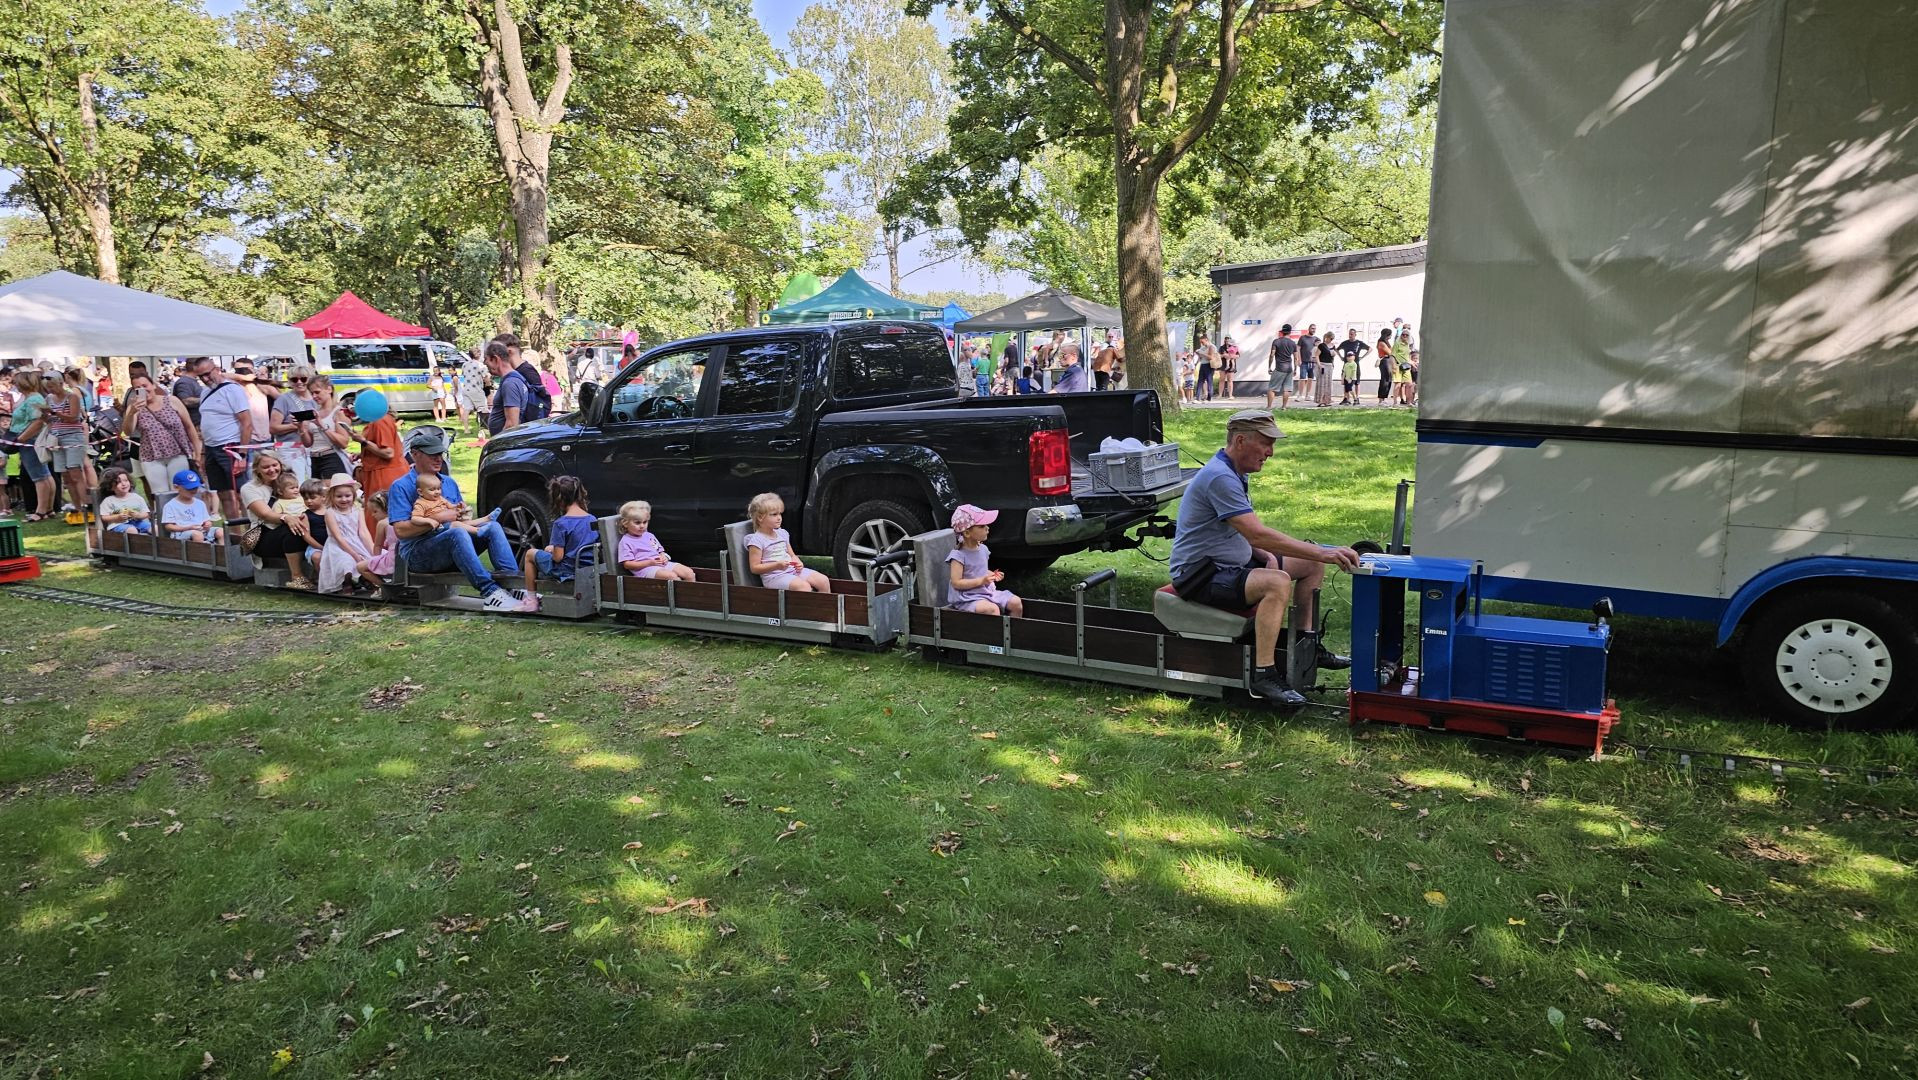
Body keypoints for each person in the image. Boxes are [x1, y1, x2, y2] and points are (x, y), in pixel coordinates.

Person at [1168, 410, 1358, 705]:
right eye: (1266, 444)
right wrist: (1324, 551)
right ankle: (1264, 675)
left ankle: (1308, 646)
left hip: (1227, 566)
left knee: (1310, 564)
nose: (1270, 452)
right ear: (1240, 441)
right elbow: (1256, 533)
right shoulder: (1220, 477)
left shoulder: (1234, 471)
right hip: (1199, 575)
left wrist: (1267, 554)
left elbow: (1240, 531)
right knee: (1277, 582)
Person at [385, 425, 525, 611]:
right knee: (456, 533)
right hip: (418, 554)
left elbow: (461, 522)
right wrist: (440, 518)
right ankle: (491, 593)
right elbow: (401, 531)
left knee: (492, 527)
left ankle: (516, 587)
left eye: (440, 454)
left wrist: (463, 514)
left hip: (452, 544)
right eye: (432, 454)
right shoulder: (401, 486)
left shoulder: (449, 482)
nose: (438, 459)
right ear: (415, 454)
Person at [239, 452, 317, 590]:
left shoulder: (289, 482)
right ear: (257, 469)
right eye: (266, 467)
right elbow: (265, 514)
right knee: (292, 529)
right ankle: (297, 577)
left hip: (296, 524)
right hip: (264, 535)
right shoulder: (250, 488)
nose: (271, 470)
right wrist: (287, 517)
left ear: (280, 465)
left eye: (274, 465)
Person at [120, 373, 201, 502]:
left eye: (145, 385)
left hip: (177, 453)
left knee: (179, 490)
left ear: (153, 385)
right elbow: (128, 431)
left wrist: (197, 451)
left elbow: (189, 427)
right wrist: (132, 413)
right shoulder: (134, 408)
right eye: (138, 388)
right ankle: (163, 514)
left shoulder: (172, 401)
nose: (143, 390)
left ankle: (179, 514)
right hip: (151, 456)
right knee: (160, 494)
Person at [517, 475, 595, 609]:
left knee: (530, 554)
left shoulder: (561, 523)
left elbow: (558, 558)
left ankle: (531, 600)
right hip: (587, 568)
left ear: (559, 499)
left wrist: (552, 550)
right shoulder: (592, 519)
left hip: (567, 570)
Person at [193, 358, 254, 522]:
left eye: (207, 374)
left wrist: (242, 454)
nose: (205, 379)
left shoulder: (233, 390)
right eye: (201, 376)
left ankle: (252, 532)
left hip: (231, 447)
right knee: (224, 494)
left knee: (241, 494)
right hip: (211, 448)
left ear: (216, 369)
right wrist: (203, 453)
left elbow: (247, 423)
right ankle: (234, 533)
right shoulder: (205, 392)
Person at [946, 503, 1023, 617]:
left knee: (1016, 603)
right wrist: (981, 581)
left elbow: (978, 571)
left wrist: (992, 575)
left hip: (986, 593)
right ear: (967, 533)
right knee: (992, 610)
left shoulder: (983, 549)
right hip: (968, 598)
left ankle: (1015, 628)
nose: (987, 528)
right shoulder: (958, 556)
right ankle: (997, 629)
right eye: (982, 526)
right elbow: (956, 583)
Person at [745, 491, 830, 592]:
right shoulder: (757, 540)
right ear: (760, 517)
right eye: (774, 514)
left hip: (792, 571)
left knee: (823, 580)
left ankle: (825, 603)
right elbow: (754, 568)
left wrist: (798, 562)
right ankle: (804, 603)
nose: (779, 518)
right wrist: (777, 565)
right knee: (804, 587)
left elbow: (792, 555)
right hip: (774, 577)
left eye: (780, 514)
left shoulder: (782, 534)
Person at [317, 473, 383, 594]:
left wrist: (372, 550)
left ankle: (367, 579)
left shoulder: (358, 510)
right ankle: (346, 582)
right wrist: (354, 555)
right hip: (339, 546)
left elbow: (363, 532)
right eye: (339, 496)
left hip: (357, 542)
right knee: (346, 561)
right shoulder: (330, 513)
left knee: (371, 557)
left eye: (347, 496)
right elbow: (338, 537)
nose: (344, 499)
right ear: (332, 496)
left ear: (353, 495)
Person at [7, 369, 57, 522]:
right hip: (31, 441)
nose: (14, 385)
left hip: (30, 441)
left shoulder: (32, 399)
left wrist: (21, 438)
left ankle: (40, 511)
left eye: (16, 382)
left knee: (38, 477)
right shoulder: (32, 398)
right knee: (45, 474)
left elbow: (37, 422)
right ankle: (49, 509)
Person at [617, 499, 696, 581]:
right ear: (625, 523)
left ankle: (691, 589)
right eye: (637, 523)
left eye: (645, 522)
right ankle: (679, 589)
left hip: (660, 564)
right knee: (672, 576)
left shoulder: (649, 536)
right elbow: (627, 565)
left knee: (689, 573)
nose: (642, 526)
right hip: (645, 569)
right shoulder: (626, 541)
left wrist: (664, 557)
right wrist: (649, 563)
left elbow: (660, 551)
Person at [268, 365, 320, 481]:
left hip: (315, 448)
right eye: (294, 379)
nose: (299, 382)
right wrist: (296, 426)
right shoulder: (284, 399)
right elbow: (273, 428)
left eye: (303, 379)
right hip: (291, 449)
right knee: (295, 483)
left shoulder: (316, 399)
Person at [305, 375, 353, 480]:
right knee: (316, 490)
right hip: (314, 459)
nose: (314, 396)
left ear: (329, 389)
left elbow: (343, 443)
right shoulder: (315, 413)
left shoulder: (339, 412)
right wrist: (301, 428)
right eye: (311, 393)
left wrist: (322, 425)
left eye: (317, 392)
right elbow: (308, 443)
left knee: (331, 489)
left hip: (332, 457)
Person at [161, 470, 222, 544]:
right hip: (181, 533)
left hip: (201, 530)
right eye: (189, 488)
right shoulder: (170, 505)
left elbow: (206, 520)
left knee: (221, 531)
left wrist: (208, 524)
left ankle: (223, 550)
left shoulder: (200, 503)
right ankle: (199, 551)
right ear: (176, 487)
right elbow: (168, 526)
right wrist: (188, 528)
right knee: (197, 535)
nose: (193, 490)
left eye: (195, 487)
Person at [484, 340, 530, 436]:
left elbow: (512, 424)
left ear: (495, 359)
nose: (485, 363)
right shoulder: (515, 378)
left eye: (486, 359)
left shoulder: (510, 383)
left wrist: (498, 441)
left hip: (506, 441)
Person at [98, 468, 152, 534]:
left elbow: (146, 513)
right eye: (118, 482)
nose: (123, 484)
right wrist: (117, 517)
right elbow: (104, 517)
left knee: (154, 528)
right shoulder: (109, 501)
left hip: (137, 522)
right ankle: (135, 540)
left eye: (126, 480)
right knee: (132, 530)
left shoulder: (137, 498)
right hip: (118, 525)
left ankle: (159, 540)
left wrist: (138, 515)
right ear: (111, 487)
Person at [364, 490, 398, 580]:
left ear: (386, 508)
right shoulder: (402, 519)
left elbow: (378, 546)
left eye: (375, 511)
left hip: (393, 561)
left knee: (360, 567)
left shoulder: (382, 523)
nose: (372, 515)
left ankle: (382, 586)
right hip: (407, 559)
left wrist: (376, 561)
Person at [1264, 325, 1297, 411]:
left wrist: (1269, 366)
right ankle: (1284, 407)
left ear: (1282, 332)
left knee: (1272, 388)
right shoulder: (1293, 343)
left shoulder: (1276, 341)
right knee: (1287, 389)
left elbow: (1272, 355)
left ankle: (1269, 407)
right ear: (1290, 332)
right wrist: (1295, 369)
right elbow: (1296, 358)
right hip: (1289, 369)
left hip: (1279, 368)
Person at [457, 346, 488, 432]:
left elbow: (464, 375)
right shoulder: (480, 365)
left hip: (466, 389)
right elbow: (486, 377)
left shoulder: (464, 364)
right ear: (479, 354)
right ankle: (484, 428)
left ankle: (466, 429)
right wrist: (488, 385)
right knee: (483, 408)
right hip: (476, 389)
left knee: (466, 409)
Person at [1296, 325, 1319, 404]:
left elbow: (1319, 350)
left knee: (1310, 378)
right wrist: (1299, 359)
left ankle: (1307, 395)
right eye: (1312, 328)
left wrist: (1317, 361)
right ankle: (1300, 395)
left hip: (1312, 362)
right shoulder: (1302, 338)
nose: (1313, 330)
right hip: (1304, 362)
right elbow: (1298, 348)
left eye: (1315, 329)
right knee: (1302, 378)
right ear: (1309, 329)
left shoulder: (1316, 339)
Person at [1314, 327, 1337, 407]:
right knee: (1322, 383)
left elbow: (1333, 356)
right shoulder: (1321, 345)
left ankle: (1327, 400)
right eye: (1330, 338)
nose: (1331, 340)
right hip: (1323, 364)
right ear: (1327, 337)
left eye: (1332, 339)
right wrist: (1319, 364)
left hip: (1330, 365)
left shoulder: (1333, 346)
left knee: (1328, 383)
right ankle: (1320, 400)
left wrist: (1333, 358)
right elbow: (1317, 355)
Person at [1194, 332, 1217, 402]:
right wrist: (1197, 361)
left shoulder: (1212, 347)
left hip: (1209, 365)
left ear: (1206, 339)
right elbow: (1201, 357)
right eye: (1201, 342)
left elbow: (1211, 357)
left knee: (1209, 381)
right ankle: (1197, 398)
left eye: (1202, 342)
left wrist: (1202, 353)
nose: (1202, 343)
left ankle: (1209, 398)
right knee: (1200, 381)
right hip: (1203, 364)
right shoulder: (1202, 347)